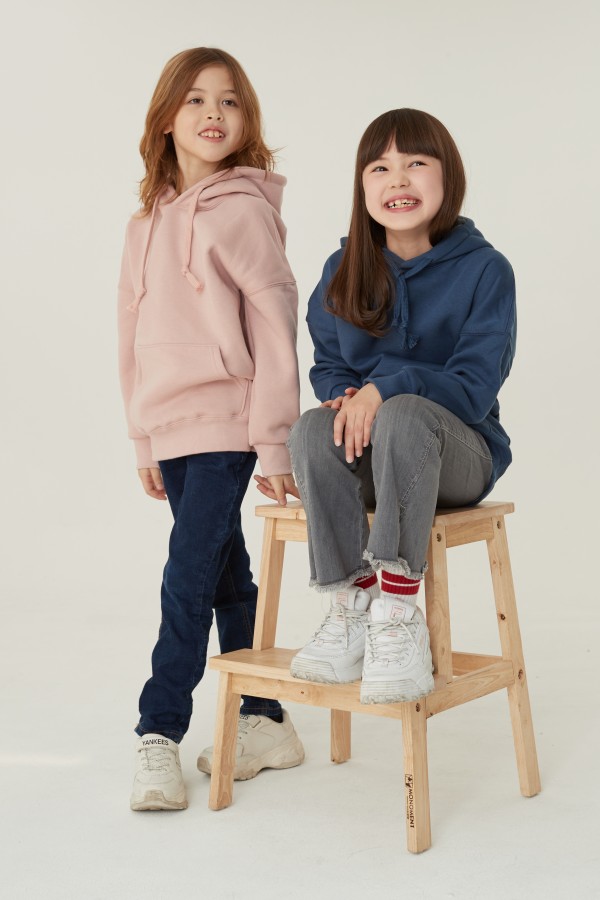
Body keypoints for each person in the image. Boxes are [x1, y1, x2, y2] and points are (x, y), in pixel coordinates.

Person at [260, 108, 515, 704]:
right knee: (311, 429)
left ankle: (399, 615)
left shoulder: (485, 270)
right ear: (362, 186)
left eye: (416, 163)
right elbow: (329, 363)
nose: (398, 180)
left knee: (402, 413)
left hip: (457, 456)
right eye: (380, 168)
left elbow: (475, 386)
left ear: (447, 176)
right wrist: (347, 396)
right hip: (375, 456)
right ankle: (352, 606)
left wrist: (388, 388)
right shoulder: (344, 268)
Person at [118, 47, 304, 812]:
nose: (213, 114)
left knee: (186, 577)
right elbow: (129, 334)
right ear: (166, 118)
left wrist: (275, 438)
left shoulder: (243, 210)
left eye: (229, 101)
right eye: (195, 99)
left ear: (246, 119)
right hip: (170, 422)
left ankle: (157, 731)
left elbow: (275, 325)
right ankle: (266, 718)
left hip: (228, 423)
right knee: (224, 575)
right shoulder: (146, 222)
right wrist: (142, 435)